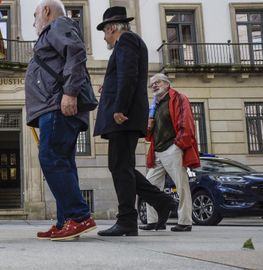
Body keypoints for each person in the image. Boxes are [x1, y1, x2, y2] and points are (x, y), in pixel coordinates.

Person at [94, 6, 176, 236]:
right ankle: (161, 202)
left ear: (112, 28)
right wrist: (109, 86)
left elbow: (129, 75)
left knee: (120, 166)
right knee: (123, 166)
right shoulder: (129, 43)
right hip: (127, 116)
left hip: (124, 116)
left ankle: (127, 220)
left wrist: (119, 108)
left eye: (104, 32)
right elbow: (124, 75)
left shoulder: (127, 40)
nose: (104, 37)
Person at [25, 0, 96, 241]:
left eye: (35, 15)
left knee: (51, 157)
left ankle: (78, 217)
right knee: (63, 161)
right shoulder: (53, 32)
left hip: (58, 105)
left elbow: (75, 52)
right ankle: (66, 221)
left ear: (46, 11)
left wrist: (70, 93)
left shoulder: (58, 25)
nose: (34, 22)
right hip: (55, 105)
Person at [140, 73, 200, 232]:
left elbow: (186, 122)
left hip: (173, 147)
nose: (153, 85)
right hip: (157, 150)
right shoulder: (155, 105)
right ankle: (153, 221)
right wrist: (149, 125)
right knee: (149, 185)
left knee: (181, 185)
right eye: (151, 84)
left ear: (167, 84)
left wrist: (178, 144)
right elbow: (148, 135)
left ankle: (185, 221)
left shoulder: (178, 98)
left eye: (157, 82)